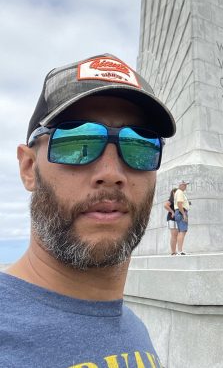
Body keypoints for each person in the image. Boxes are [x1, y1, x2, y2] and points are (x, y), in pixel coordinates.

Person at [0, 53, 175, 367]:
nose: (111, 172)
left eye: (140, 145)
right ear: (28, 167)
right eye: (76, 141)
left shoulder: (135, 329)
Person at [174, 180, 190, 255]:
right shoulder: (180, 192)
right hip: (181, 212)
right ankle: (180, 251)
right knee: (182, 231)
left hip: (179, 212)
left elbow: (180, 203)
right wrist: (184, 214)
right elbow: (179, 203)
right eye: (184, 185)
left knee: (182, 231)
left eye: (186, 185)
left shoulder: (178, 192)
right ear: (180, 185)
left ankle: (180, 250)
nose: (185, 186)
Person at [164, 187, 178, 255]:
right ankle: (173, 252)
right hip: (171, 219)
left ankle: (174, 251)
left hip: (176, 219)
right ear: (173, 193)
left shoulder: (176, 200)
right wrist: (172, 212)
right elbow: (166, 205)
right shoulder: (171, 200)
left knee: (176, 235)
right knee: (173, 235)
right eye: (176, 192)